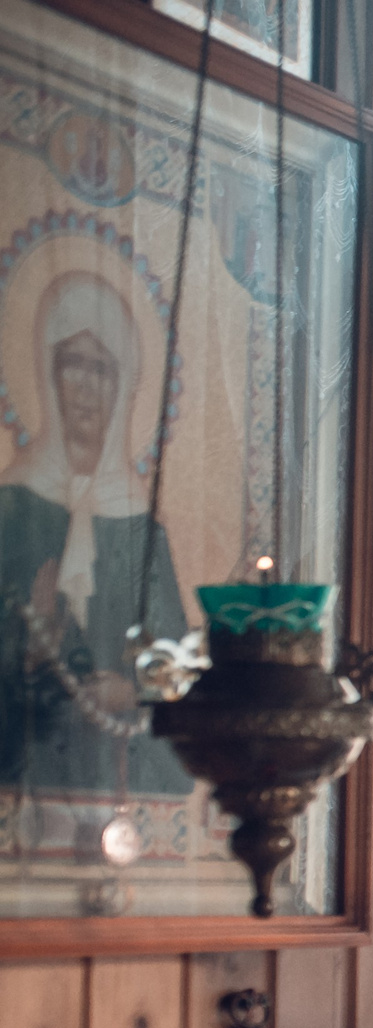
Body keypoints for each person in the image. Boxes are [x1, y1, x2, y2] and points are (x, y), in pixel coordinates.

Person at [0, 270, 191, 797]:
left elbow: (176, 665)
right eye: (72, 363)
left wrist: (130, 694)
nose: (85, 385)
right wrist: (29, 647)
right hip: (23, 771)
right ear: (48, 373)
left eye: (101, 369)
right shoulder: (10, 510)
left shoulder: (140, 527)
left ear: (123, 385)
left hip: (119, 779)